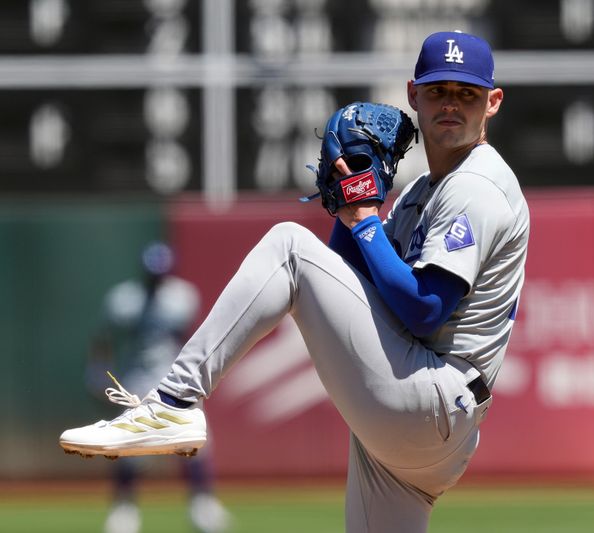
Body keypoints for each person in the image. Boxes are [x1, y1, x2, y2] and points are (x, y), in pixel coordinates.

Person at [61, 30, 529, 533]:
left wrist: (365, 218)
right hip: (425, 421)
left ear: (492, 102)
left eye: (467, 94)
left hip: (431, 396)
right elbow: (346, 278)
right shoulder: (423, 190)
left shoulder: (475, 187)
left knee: (287, 245)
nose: (451, 105)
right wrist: (345, 201)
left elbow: (423, 308)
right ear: (414, 94)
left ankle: (173, 402)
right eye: (439, 92)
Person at [84, 241, 229, 533]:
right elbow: (103, 339)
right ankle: (124, 509)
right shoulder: (124, 299)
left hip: (175, 378)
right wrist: (98, 373)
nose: (156, 279)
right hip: (136, 380)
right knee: (128, 446)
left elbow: (192, 340)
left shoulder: (182, 297)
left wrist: (198, 377)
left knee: (196, 442)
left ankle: (202, 505)